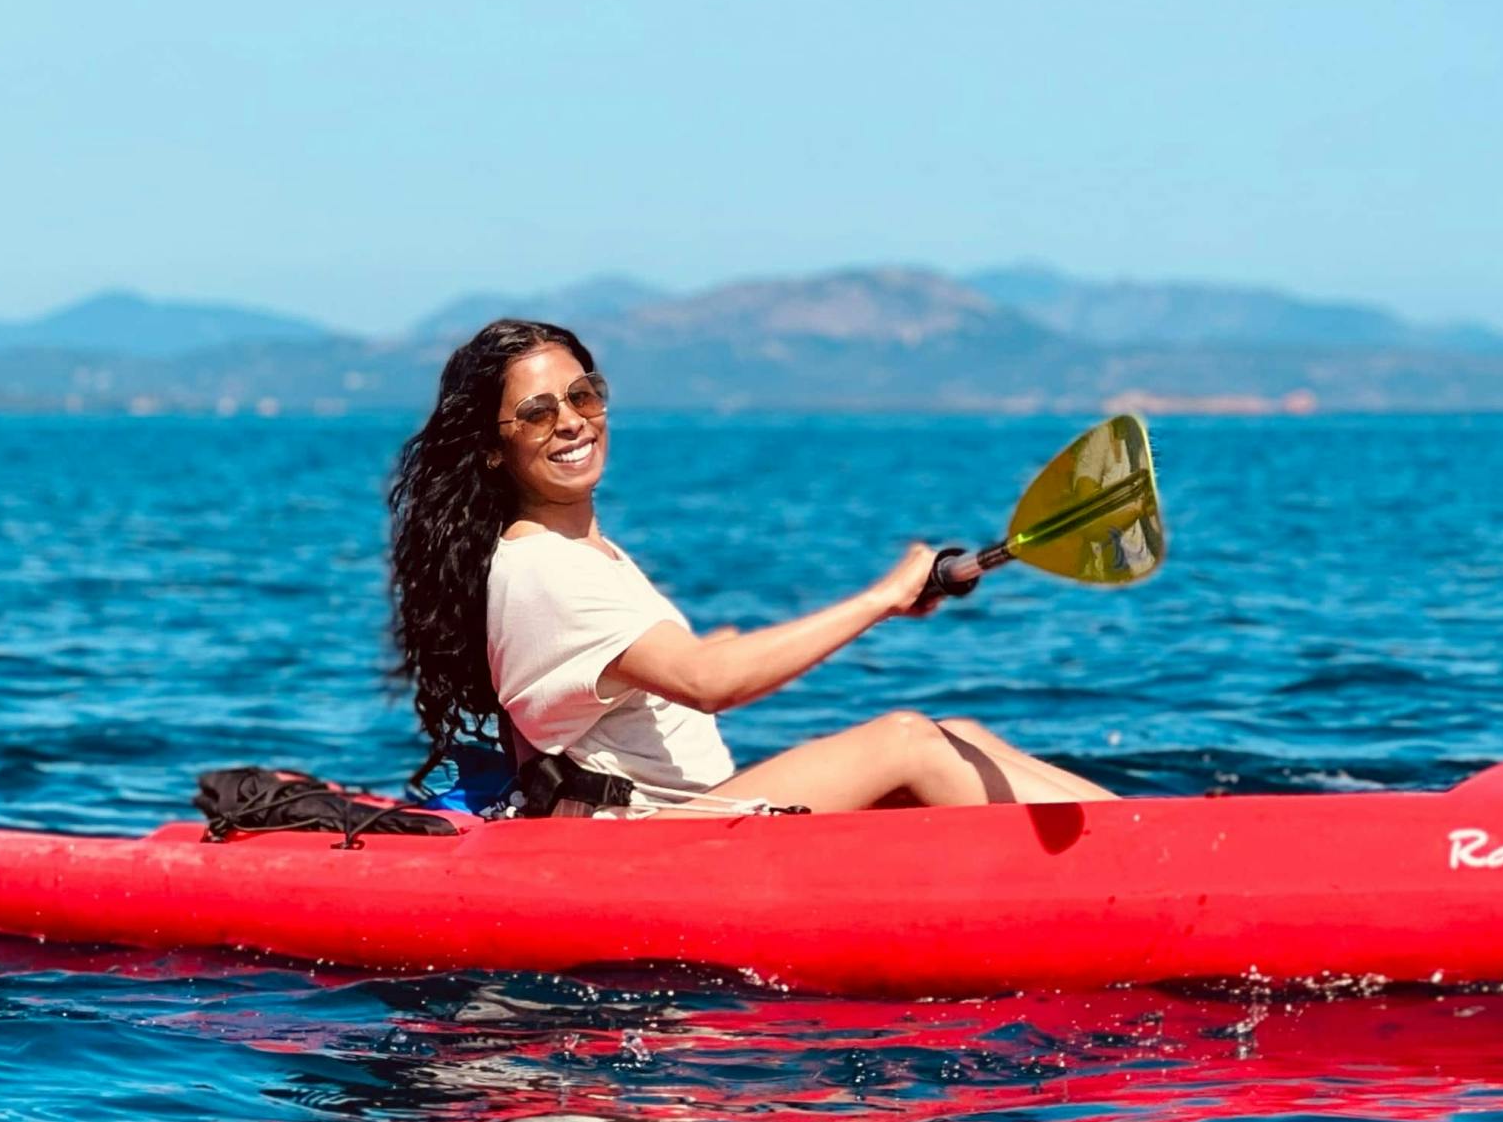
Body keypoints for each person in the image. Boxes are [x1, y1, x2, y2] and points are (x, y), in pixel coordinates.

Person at [389, 319, 1118, 816]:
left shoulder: (579, 552)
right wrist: (883, 598)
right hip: (646, 845)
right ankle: (1157, 867)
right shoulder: (546, 569)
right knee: (905, 738)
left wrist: (728, 648)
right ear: (492, 447)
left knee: (960, 731)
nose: (573, 421)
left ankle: (1154, 837)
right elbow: (709, 684)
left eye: (583, 396)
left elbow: (675, 669)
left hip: (693, 813)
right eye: (538, 414)